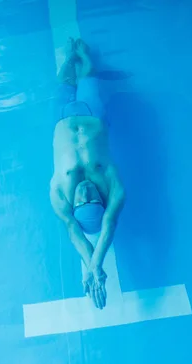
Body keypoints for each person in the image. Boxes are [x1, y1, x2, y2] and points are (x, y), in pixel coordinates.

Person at [50, 38, 125, 310]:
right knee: (89, 73)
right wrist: (97, 267)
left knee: (65, 83)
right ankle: (85, 55)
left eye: (80, 200)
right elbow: (109, 225)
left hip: (60, 119)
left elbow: (73, 229)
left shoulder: (59, 195)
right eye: (91, 198)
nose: (84, 192)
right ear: (101, 203)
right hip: (94, 115)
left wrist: (89, 262)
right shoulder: (113, 187)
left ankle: (70, 58)